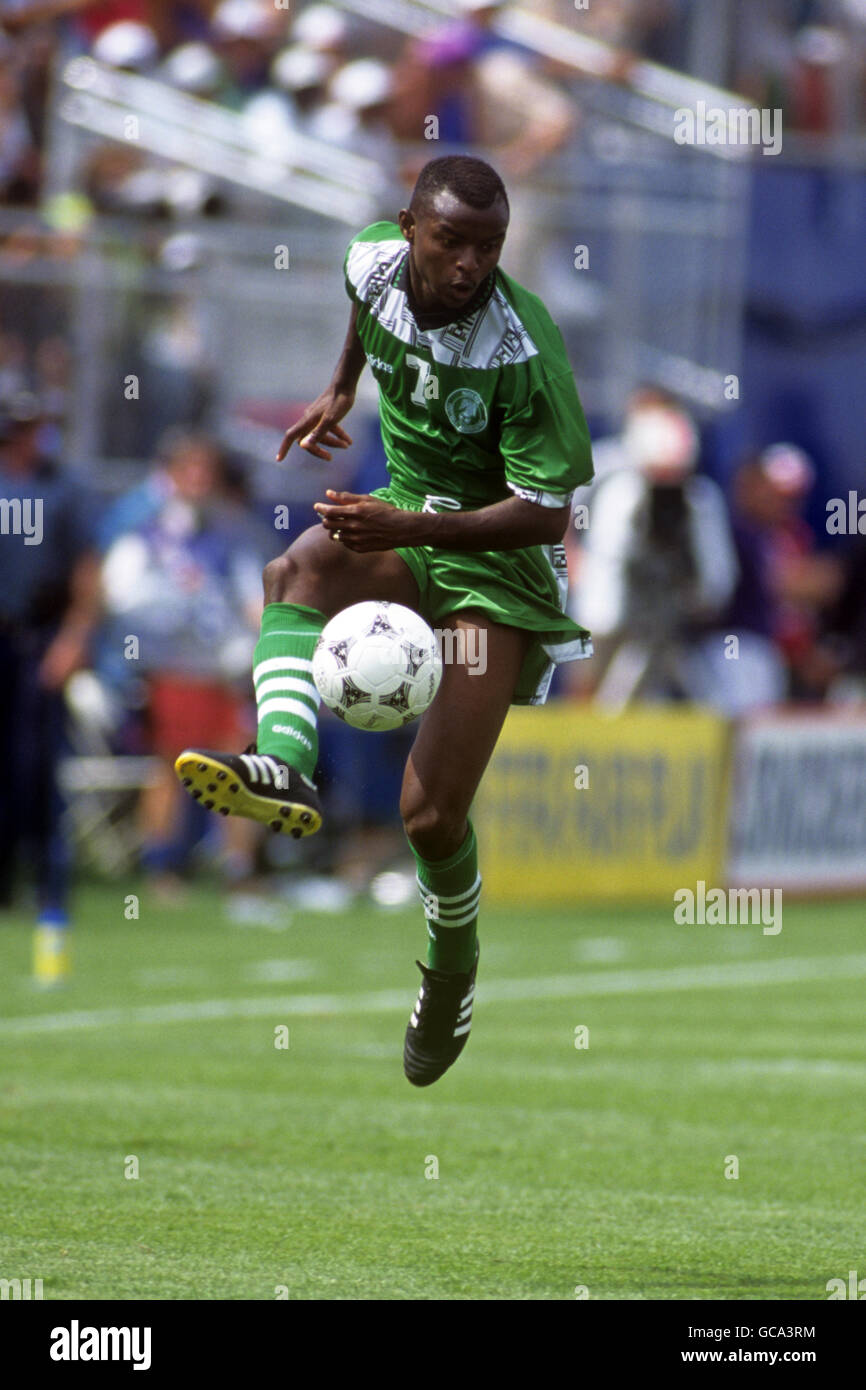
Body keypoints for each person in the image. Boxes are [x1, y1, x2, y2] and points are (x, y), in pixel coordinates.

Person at [174, 155, 594, 1086]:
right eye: (452, 241)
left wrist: (410, 523)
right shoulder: (368, 260)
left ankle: (453, 972)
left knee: (430, 815)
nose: (470, 265)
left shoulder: (526, 348)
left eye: (489, 247)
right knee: (298, 566)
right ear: (408, 227)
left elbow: (545, 514)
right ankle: (282, 756)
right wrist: (339, 387)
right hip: (408, 521)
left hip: (495, 574)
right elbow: (368, 316)